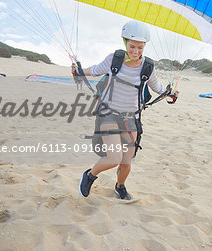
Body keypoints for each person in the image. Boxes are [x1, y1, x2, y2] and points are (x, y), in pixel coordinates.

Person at [74, 20, 178, 200]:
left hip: (132, 119)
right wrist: (80, 71)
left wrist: (170, 92)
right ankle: (90, 176)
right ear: (125, 42)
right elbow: (97, 70)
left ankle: (120, 187)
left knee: (126, 163)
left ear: (144, 46)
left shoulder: (147, 67)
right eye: (132, 46)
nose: (136, 51)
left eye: (140, 47)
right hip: (108, 115)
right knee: (114, 158)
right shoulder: (114, 59)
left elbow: (156, 86)